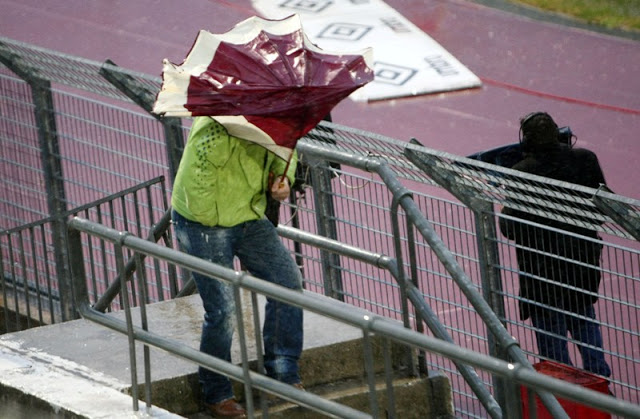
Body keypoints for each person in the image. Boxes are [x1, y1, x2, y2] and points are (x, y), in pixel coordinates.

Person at [171, 116, 304, 418]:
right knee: (223, 309)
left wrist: (283, 180)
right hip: (203, 220)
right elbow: (199, 176)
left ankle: (283, 370)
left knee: (288, 283)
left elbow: (286, 155)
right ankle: (216, 392)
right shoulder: (215, 119)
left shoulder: (280, 116)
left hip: (247, 214)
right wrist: (208, 219)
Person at [499, 111, 611, 378]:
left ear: (526, 140)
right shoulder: (585, 159)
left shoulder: (522, 173)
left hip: (541, 270)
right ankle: (600, 385)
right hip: (580, 262)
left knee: (552, 342)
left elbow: (509, 228)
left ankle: (562, 395)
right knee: (584, 321)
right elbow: (605, 207)